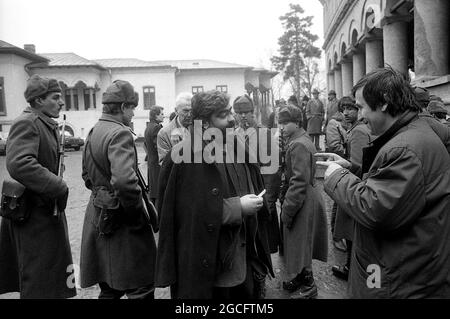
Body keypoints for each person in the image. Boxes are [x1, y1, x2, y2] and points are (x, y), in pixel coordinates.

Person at [317, 67, 450, 298]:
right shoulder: (411, 136)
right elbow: (392, 186)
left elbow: (376, 208)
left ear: (385, 102)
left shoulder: (406, 147)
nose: (359, 116)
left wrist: (335, 176)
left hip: (396, 279)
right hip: (399, 269)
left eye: (361, 107)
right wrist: (354, 169)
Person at [155, 90, 274, 299]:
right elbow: (188, 215)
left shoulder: (235, 145)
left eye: (230, 112)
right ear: (205, 123)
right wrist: (238, 208)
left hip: (242, 257)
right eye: (222, 115)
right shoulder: (186, 155)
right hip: (210, 263)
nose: (231, 119)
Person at [0, 75, 76, 299]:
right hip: (33, 219)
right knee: (38, 281)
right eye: (55, 98)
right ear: (38, 100)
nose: (61, 102)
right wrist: (58, 186)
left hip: (44, 215)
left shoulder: (43, 122)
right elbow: (19, 163)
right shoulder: (29, 122)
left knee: (50, 279)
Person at [80, 80, 157, 299]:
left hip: (100, 215)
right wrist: (134, 213)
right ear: (123, 107)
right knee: (141, 285)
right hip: (124, 223)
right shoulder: (120, 133)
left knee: (110, 286)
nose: (133, 113)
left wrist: (102, 191)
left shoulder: (94, 130)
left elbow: (86, 176)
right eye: (132, 107)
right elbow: (124, 181)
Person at [278, 105, 328, 299]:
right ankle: (300, 277)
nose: (281, 127)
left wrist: (287, 210)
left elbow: (298, 181)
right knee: (300, 243)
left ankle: (309, 285)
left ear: (296, 122)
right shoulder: (302, 138)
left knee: (302, 243)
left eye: (285, 123)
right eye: (280, 123)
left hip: (302, 199)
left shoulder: (298, 144)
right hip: (307, 196)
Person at [331, 96, 373, 281]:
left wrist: (341, 167)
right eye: (343, 109)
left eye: (351, 108)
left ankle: (350, 268)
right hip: (358, 183)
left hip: (354, 184)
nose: (346, 112)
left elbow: (358, 164)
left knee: (350, 231)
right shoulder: (358, 128)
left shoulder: (358, 131)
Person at [233, 95, 281, 254]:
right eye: (239, 113)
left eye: (246, 112)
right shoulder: (233, 134)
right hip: (243, 194)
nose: (243, 116)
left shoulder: (264, 133)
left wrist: (269, 199)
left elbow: (272, 168)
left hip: (261, 190)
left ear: (252, 112)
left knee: (263, 240)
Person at [157, 92, 192, 165]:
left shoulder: (201, 128)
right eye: (185, 111)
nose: (189, 115)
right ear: (176, 111)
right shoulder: (164, 133)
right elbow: (164, 164)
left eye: (192, 111)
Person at [144, 106, 164, 204]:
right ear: (156, 116)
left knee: (153, 191)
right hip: (157, 164)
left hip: (151, 163)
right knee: (158, 193)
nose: (164, 116)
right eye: (162, 114)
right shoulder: (156, 127)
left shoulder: (148, 127)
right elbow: (160, 147)